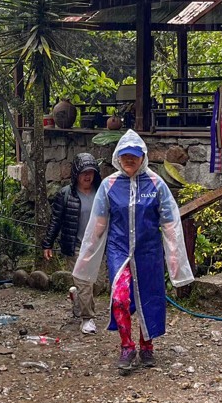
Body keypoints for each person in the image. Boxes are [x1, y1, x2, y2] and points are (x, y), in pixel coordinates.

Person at [72, 130, 194, 374]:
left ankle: (146, 344)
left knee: (149, 297)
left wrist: (174, 257)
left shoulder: (157, 185)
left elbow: (170, 223)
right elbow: (97, 224)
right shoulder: (109, 185)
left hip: (148, 251)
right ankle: (126, 346)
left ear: (142, 157)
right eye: (125, 155)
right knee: (120, 297)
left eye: (134, 156)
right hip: (119, 250)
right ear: (118, 157)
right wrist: (86, 258)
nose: (129, 160)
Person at [43, 152, 103, 333]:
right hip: (75, 246)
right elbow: (56, 220)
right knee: (85, 282)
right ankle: (87, 319)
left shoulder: (101, 193)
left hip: (97, 246)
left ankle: (77, 297)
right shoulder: (65, 194)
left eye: (91, 172)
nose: (87, 176)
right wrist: (48, 243)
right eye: (84, 172)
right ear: (76, 173)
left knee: (97, 284)